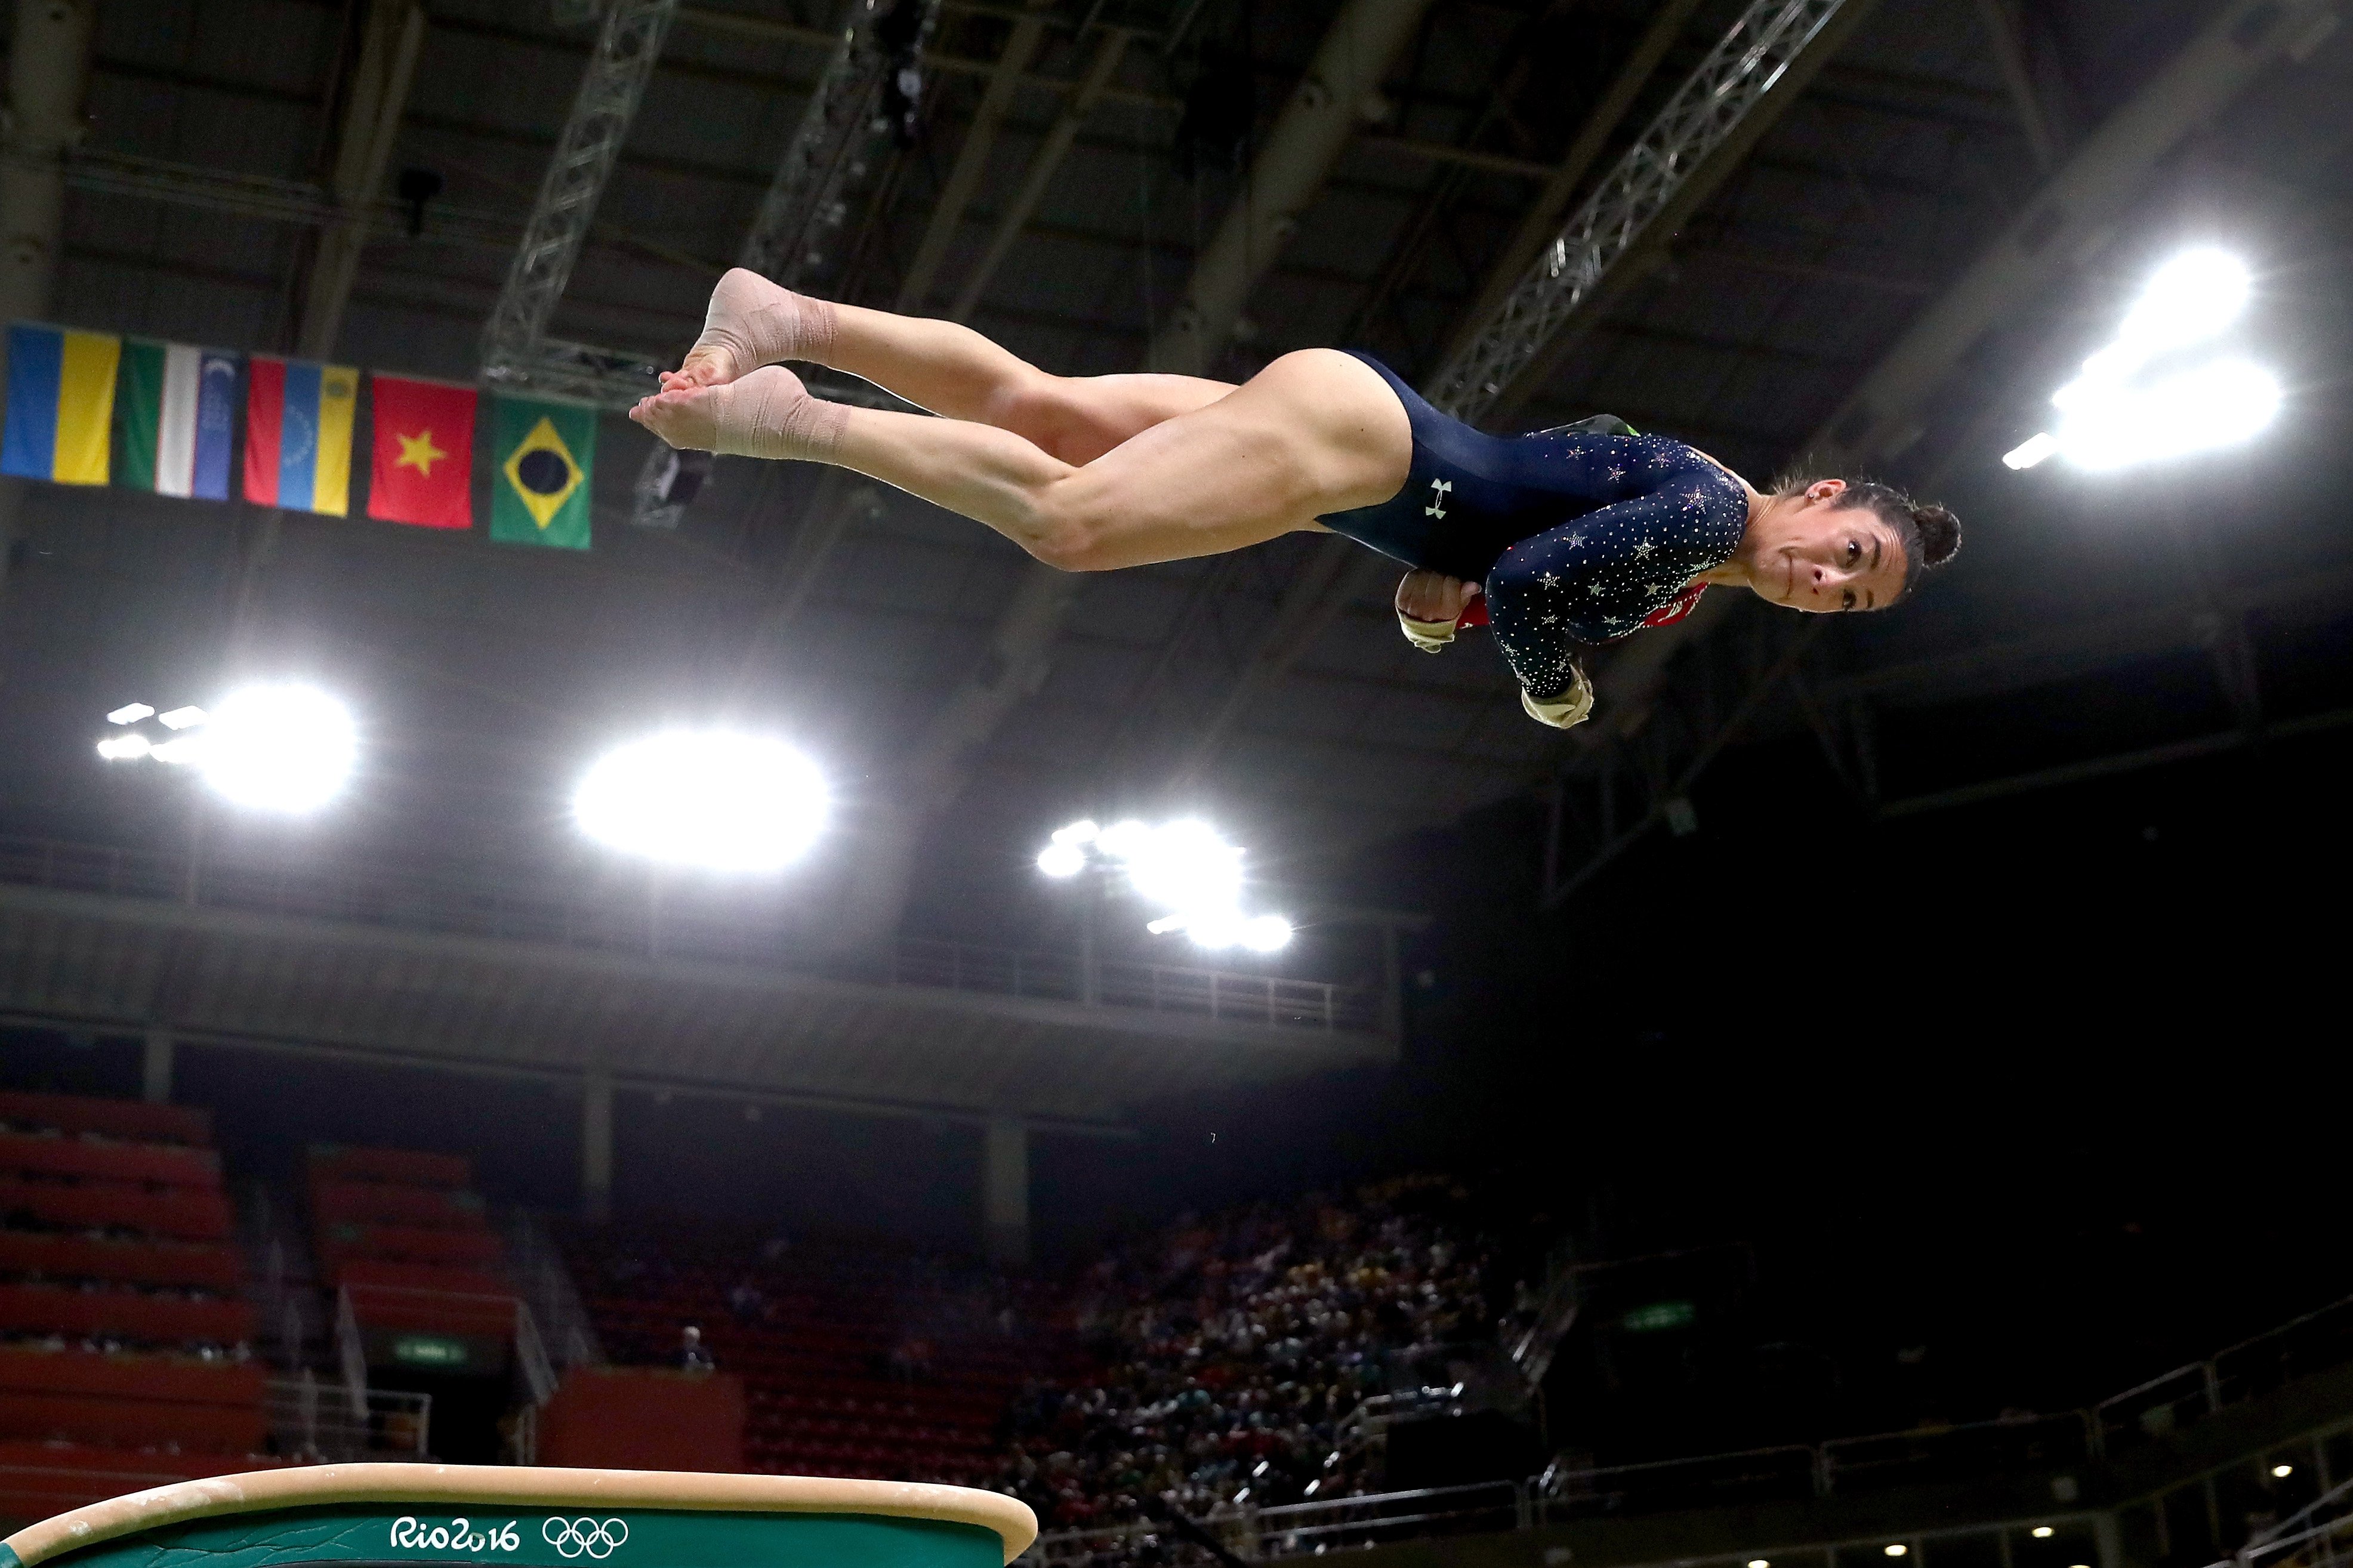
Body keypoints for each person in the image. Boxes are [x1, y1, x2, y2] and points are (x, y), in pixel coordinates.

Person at [630, 271, 1962, 729]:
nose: (1824, 582)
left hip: (1365, 440)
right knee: (1069, 523)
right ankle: (785, 417)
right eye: (1849, 552)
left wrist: (1441, 602)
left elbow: (1539, 495)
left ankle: (784, 316)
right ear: (1823, 496)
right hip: (1361, 454)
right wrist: (1554, 689)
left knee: (1041, 412)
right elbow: (1525, 582)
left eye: (1848, 600)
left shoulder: (1694, 519)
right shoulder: (1710, 521)